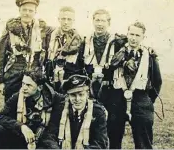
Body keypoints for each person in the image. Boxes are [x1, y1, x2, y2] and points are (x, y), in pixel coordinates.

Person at [99, 21, 162, 149]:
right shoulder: (115, 52)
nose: (134, 38)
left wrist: (147, 101)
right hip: (117, 98)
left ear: (143, 37)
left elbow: (157, 81)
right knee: (114, 138)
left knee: (143, 141)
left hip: (141, 99)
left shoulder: (149, 56)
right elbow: (106, 74)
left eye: (138, 35)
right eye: (131, 34)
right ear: (127, 34)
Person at [0, 67, 65, 149]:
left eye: (28, 85)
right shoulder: (19, 96)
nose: (24, 88)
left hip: (44, 139)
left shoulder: (55, 99)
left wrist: (35, 141)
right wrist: (21, 127)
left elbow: (53, 130)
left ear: (40, 87)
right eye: (23, 83)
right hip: (22, 136)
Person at [39, 74, 109, 149]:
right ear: (68, 96)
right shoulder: (60, 109)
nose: (77, 99)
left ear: (87, 94)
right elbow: (49, 136)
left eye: (81, 94)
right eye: (73, 95)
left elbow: (100, 143)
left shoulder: (97, 113)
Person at [0, 0, 42, 102]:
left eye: (30, 11)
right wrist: (2, 82)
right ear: (19, 11)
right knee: (11, 110)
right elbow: (1, 57)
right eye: (24, 10)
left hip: (32, 79)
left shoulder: (40, 30)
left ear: (35, 12)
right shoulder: (9, 31)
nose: (27, 13)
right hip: (13, 78)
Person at [46, 6, 83, 92]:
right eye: (63, 19)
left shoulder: (79, 39)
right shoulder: (51, 35)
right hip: (52, 75)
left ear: (73, 21)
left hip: (69, 77)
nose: (66, 22)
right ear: (59, 19)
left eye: (69, 19)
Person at [82, 9, 115, 100]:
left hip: (108, 87)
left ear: (108, 23)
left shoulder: (115, 42)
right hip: (90, 85)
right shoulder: (86, 41)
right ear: (93, 21)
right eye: (97, 20)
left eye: (103, 21)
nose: (99, 24)